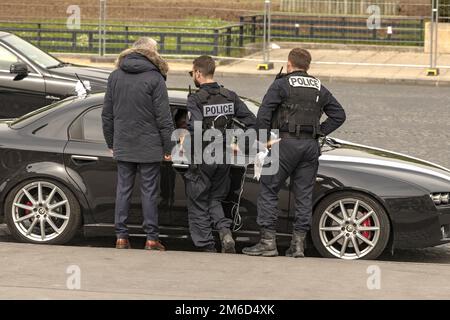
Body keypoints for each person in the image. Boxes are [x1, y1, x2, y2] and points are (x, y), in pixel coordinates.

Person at [242, 48, 346, 258]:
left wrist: (264, 141)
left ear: (289, 64)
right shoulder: (318, 86)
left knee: (269, 189)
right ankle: (298, 245)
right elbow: (339, 115)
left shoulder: (281, 84)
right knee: (304, 195)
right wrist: (318, 132)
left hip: (286, 144)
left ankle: (267, 243)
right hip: (310, 147)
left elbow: (264, 114)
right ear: (307, 66)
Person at [102, 37, 174, 250]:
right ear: (151, 52)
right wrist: (168, 147)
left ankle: (121, 237)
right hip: (149, 145)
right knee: (149, 191)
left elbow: (107, 114)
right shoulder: (155, 78)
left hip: (123, 142)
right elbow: (164, 118)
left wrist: (111, 141)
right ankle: (151, 238)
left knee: (123, 189)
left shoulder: (115, 76)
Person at [185, 55, 256, 253]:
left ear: (198, 73)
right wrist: (241, 144)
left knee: (198, 202)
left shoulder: (195, 99)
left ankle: (206, 246)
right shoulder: (230, 96)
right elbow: (252, 121)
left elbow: (196, 130)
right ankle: (225, 232)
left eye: (192, 73)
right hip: (224, 157)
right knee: (214, 199)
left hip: (204, 158)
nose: (193, 75)